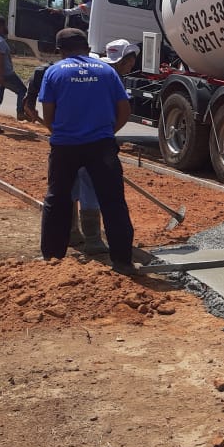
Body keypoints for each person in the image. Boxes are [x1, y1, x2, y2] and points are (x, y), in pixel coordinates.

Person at [31, 28, 136, 274]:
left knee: (57, 199)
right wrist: (107, 133)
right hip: (101, 146)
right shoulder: (107, 71)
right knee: (113, 201)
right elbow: (124, 111)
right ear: (87, 48)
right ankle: (123, 261)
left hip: (65, 147)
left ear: (60, 51)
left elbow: (49, 115)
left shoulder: (54, 72)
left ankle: (52, 258)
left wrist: (64, 134)